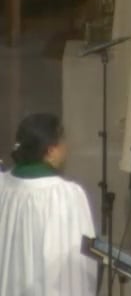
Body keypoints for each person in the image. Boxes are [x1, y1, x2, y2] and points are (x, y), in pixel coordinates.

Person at [0, 114, 96, 296]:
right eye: (62, 141)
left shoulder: (3, 186)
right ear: (51, 150)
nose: (66, 147)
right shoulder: (65, 195)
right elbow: (77, 265)